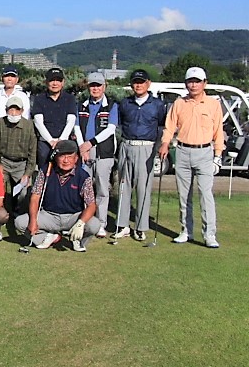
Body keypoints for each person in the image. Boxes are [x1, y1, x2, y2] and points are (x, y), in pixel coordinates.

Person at [159, 67, 224, 248]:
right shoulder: (179, 103)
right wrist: (165, 143)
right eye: (190, 81)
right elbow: (170, 126)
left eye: (197, 81)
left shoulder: (213, 104)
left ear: (205, 83)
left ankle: (209, 234)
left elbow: (219, 132)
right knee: (183, 195)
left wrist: (218, 155)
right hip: (182, 151)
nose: (193, 85)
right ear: (186, 84)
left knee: (205, 194)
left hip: (204, 152)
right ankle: (186, 231)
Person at [15, 140, 100, 252]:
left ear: (76, 158)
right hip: (49, 215)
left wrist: (80, 223)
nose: (66, 160)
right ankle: (46, 238)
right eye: (62, 156)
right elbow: (35, 197)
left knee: (94, 225)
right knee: (20, 222)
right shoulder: (45, 171)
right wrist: (33, 221)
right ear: (56, 157)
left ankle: (78, 240)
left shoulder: (83, 176)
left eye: (70, 156)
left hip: (73, 216)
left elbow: (91, 205)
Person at [114, 69, 166, 241]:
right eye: (135, 82)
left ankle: (141, 227)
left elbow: (161, 126)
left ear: (148, 83)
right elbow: (120, 124)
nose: (138, 85)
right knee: (124, 187)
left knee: (143, 189)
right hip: (126, 145)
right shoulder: (125, 103)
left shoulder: (157, 104)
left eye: (141, 82)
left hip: (146, 148)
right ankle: (122, 226)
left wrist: (158, 146)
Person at [73, 72, 118, 238]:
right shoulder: (81, 105)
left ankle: (101, 223)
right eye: (92, 85)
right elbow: (77, 127)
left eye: (98, 85)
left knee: (102, 189)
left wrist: (90, 143)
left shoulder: (111, 105)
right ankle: (84, 221)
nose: (95, 88)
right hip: (85, 150)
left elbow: (111, 129)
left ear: (104, 87)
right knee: (84, 188)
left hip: (103, 151)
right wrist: (82, 147)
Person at [0, 96, 38, 217]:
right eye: (11, 109)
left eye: (17, 110)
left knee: (24, 192)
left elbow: (32, 153)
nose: (13, 113)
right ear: (6, 110)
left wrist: (27, 173)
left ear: (22, 111)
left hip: (21, 163)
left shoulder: (29, 126)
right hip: (3, 161)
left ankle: (19, 212)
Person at [31, 67, 77, 168]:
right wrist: (51, 141)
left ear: (63, 82)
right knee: (43, 163)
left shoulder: (70, 99)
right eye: (52, 80)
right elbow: (38, 122)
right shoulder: (39, 99)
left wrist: (61, 140)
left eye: (58, 80)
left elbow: (71, 120)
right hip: (45, 141)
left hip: (65, 140)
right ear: (46, 82)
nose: (55, 83)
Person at [0, 65, 31, 138]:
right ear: (2, 78)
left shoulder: (23, 96)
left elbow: (26, 117)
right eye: (6, 76)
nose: (9, 79)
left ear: (17, 79)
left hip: (17, 135)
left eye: (12, 76)